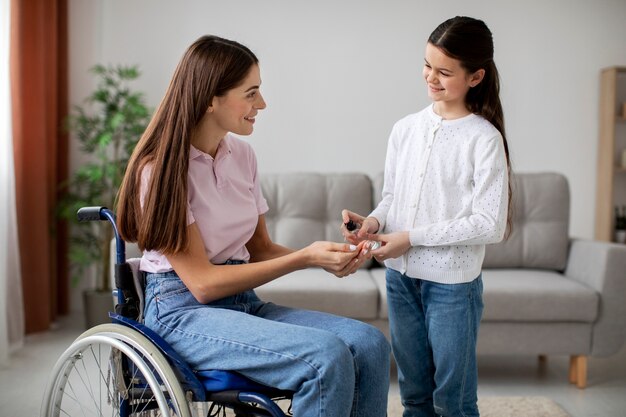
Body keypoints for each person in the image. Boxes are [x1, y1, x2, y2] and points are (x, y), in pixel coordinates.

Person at [116, 35, 390, 417]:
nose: (261, 104)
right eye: (251, 93)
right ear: (211, 98)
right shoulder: (160, 171)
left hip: (241, 304)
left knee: (370, 343)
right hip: (182, 313)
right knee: (325, 358)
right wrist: (303, 259)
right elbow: (204, 284)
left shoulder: (241, 155)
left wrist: (323, 256)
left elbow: (260, 249)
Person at [341, 16, 512, 417]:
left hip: (453, 286)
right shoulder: (405, 129)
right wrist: (374, 224)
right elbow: (392, 198)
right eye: (427, 65)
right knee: (413, 394)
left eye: (444, 72)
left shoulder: (483, 139)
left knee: (452, 400)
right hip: (401, 277)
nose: (430, 78)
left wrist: (411, 237)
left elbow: (489, 223)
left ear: (476, 77)